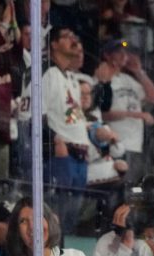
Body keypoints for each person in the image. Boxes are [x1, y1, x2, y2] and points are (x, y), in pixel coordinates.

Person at [42, 26, 91, 234]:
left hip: (80, 154)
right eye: (66, 37)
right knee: (56, 214)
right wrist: (55, 140)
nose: (73, 40)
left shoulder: (71, 77)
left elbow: (71, 116)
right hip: (63, 153)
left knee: (71, 217)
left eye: (74, 36)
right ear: (53, 44)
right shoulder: (48, 73)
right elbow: (36, 115)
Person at [95, 39, 154, 183]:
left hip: (136, 145)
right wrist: (138, 115)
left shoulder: (128, 80)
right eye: (118, 52)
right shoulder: (102, 78)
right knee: (119, 189)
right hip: (116, 144)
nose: (123, 55)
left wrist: (139, 71)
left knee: (134, 190)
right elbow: (103, 114)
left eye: (125, 52)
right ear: (107, 55)